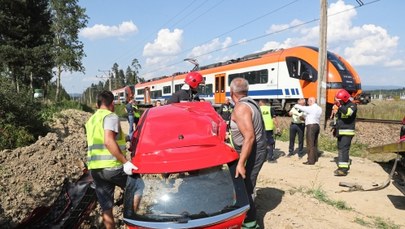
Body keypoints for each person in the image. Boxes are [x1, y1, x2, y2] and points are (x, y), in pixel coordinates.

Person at [85, 90, 138, 229]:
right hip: (112, 167)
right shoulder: (110, 116)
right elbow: (108, 141)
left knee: (106, 206)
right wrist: (125, 162)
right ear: (112, 103)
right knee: (138, 188)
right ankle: (133, 224)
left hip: (96, 169)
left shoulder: (92, 119)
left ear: (97, 104)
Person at [229, 78, 267, 229]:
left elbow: (249, 137)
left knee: (246, 187)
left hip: (252, 152)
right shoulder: (251, 102)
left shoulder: (241, 108)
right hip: (254, 150)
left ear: (232, 93)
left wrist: (240, 163)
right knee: (245, 185)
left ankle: (250, 224)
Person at [333, 89, 357, 176]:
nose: (339, 102)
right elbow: (339, 119)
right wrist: (335, 127)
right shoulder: (342, 106)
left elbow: (347, 113)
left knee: (344, 150)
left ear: (345, 98)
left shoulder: (352, 106)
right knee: (340, 149)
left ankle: (343, 170)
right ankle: (342, 165)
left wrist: (339, 106)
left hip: (347, 132)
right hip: (340, 132)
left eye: (340, 101)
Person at [294, 97, 322, 165]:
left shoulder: (311, 108)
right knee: (315, 143)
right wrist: (304, 117)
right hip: (316, 126)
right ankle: (315, 158)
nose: (307, 103)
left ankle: (311, 160)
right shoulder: (319, 108)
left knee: (310, 144)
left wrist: (298, 104)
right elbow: (310, 116)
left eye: (308, 102)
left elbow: (301, 108)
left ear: (311, 101)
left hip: (311, 127)